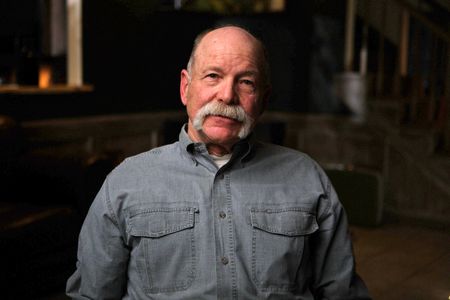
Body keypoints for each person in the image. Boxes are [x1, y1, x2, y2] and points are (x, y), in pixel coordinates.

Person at [66, 25, 371, 299]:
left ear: (263, 100)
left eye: (246, 82)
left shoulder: (307, 178)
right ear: (186, 87)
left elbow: (342, 293)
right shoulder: (126, 182)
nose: (227, 95)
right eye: (213, 76)